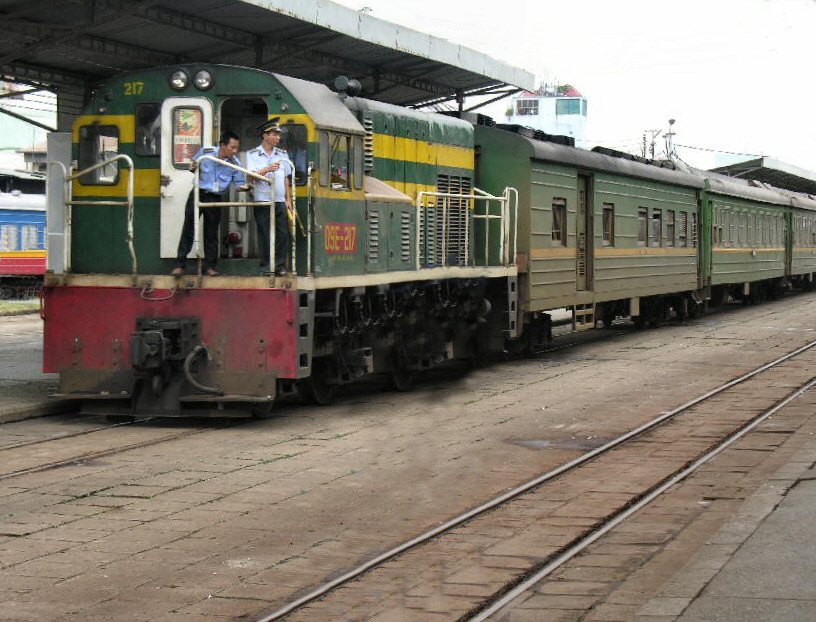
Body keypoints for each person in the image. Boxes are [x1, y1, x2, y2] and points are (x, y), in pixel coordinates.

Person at [171, 131, 246, 277]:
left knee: (211, 233)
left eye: (237, 148)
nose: (235, 151)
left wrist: (246, 187)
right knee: (189, 228)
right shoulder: (205, 152)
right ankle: (180, 265)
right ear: (222, 145)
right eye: (232, 147)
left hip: (215, 198)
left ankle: (209, 267)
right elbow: (193, 166)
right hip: (198, 193)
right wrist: (192, 167)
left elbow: (239, 183)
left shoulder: (235, 163)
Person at [246, 118, 293, 276]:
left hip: (279, 200)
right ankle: (266, 266)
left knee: (283, 234)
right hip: (262, 200)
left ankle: (279, 265)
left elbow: (286, 178)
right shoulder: (252, 154)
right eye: (274, 134)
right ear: (265, 136)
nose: (278, 137)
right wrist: (267, 169)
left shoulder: (283, 154)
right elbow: (250, 176)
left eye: (278, 134)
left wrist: (288, 200)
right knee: (264, 234)